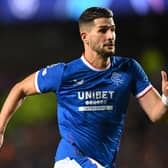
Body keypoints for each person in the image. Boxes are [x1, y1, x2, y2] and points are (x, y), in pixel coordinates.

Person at [0, 7, 168, 168]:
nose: (110, 36)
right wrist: (0, 128)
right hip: (71, 161)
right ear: (85, 37)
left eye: (113, 29)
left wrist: (166, 99)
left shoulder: (128, 69)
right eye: (103, 31)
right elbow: (19, 89)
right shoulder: (65, 73)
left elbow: (156, 113)